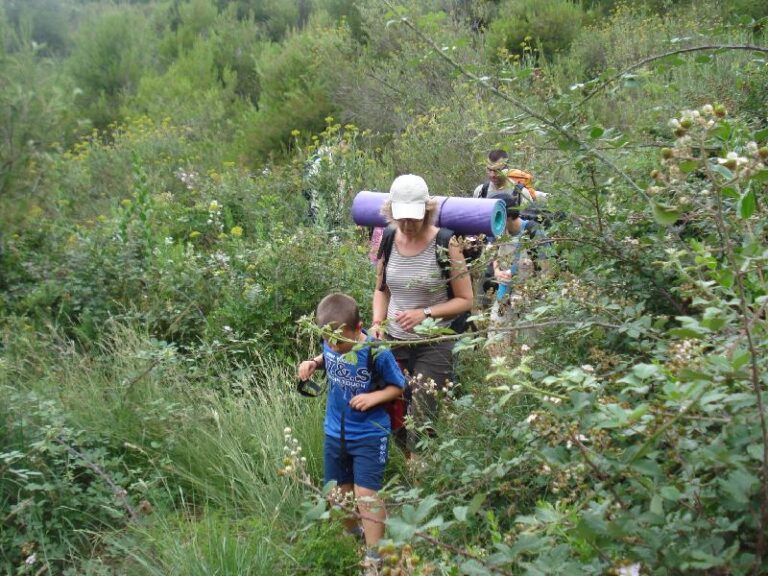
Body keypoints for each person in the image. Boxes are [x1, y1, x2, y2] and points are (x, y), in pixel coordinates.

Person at [298, 292, 406, 574]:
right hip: (335, 431)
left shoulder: (376, 351)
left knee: (366, 494)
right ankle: (353, 534)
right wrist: (314, 362)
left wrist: (374, 398)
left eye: (341, 342)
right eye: (329, 341)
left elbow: (399, 386)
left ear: (358, 329)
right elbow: (328, 354)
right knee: (337, 494)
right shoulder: (331, 340)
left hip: (370, 433)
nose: (334, 347)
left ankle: (375, 556)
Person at [372, 174, 473, 453]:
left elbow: (466, 299)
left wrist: (425, 313)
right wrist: (377, 322)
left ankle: (420, 471)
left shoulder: (446, 243)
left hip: (436, 341)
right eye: (401, 218)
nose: (407, 225)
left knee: (423, 412)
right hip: (395, 340)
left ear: (427, 212)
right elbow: (381, 290)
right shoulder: (388, 237)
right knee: (398, 410)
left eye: (414, 219)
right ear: (390, 212)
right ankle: (408, 465)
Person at [486, 191, 552, 349]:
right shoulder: (497, 231)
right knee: (495, 341)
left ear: (507, 216)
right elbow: (493, 253)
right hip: (504, 294)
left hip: (531, 298)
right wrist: (497, 271)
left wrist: (528, 291)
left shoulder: (532, 232)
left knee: (529, 349)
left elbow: (549, 271)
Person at [473, 149, 548, 204]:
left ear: (507, 169)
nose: (492, 175)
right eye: (489, 170)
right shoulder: (480, 191)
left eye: (497, 170)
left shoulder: (521, 193)